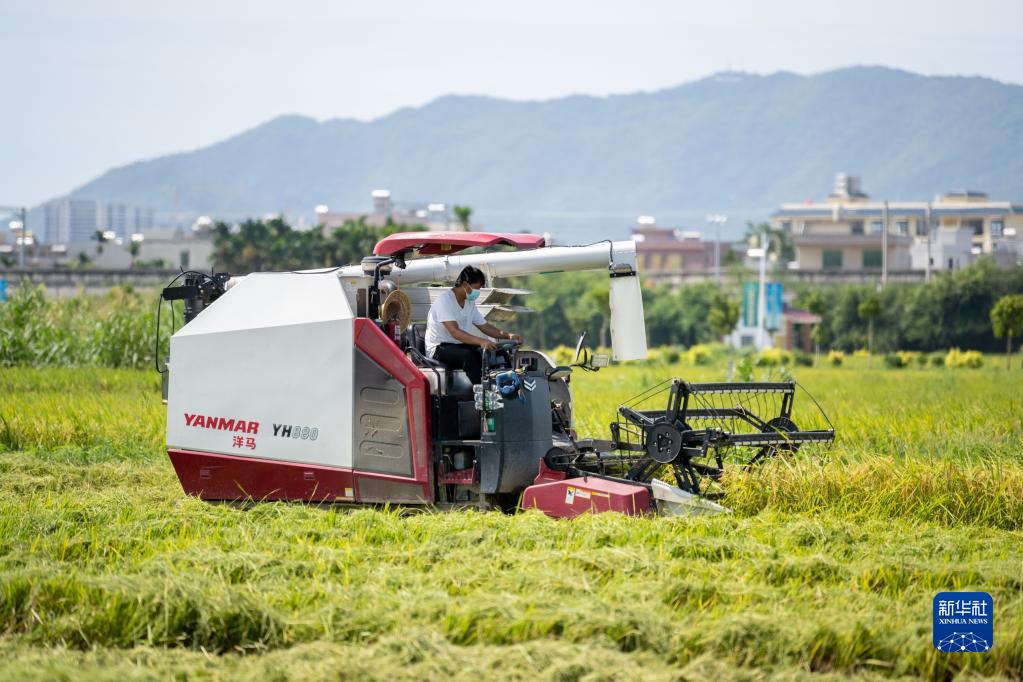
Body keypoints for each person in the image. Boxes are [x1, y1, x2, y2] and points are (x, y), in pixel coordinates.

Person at [425, 265, 523, 384]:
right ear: (465, 285)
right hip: (439, 349)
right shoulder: (444, 301)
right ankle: (483, 391)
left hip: (459, 346)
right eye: (477, 288)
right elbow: (455, 332)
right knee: (468, 356)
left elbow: (485, 326)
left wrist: (508, 336)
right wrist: (481, 341)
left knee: (498, 353)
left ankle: (508, 387)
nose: (478, 292)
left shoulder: (469, 303)